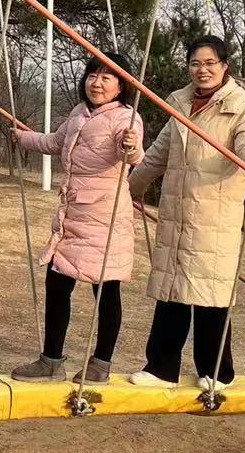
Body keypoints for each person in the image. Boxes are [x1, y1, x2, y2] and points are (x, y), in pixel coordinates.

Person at [128, 36, 245, 392]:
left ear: (225, 66)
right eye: (195, 63)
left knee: (211, 294)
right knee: (172, 290)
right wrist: (130, 188)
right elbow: (158, 153)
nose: (202, 70)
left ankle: (217, 371)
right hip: (177, 211)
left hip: (215, 215)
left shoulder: (242, 106)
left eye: (209, 63)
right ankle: (161, 368)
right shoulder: (181, 102)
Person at [9, 53, 144, 383]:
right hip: (72, 216)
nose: (97, 83)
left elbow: (132, 153)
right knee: (57, 283)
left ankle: (101, 364)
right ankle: (51, 360)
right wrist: (22, 137)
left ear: (121, 86)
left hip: (105, 217)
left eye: (107, 77)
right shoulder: (78, 113)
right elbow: (55, 142)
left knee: (106, 289)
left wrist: (131, 145)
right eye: (93, 76)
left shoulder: (126, 118)